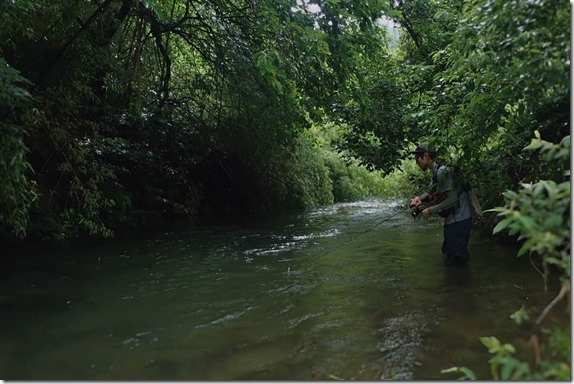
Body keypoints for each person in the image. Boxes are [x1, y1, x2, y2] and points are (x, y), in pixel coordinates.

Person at [409, 143, 473, 266]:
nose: (416, 162)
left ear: (426, 156)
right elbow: (433, 189)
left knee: (458, 261)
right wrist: (420, 199)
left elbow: (452, 200)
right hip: (454, 220)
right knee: (447, 254)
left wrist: (430, 210)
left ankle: (462, 284)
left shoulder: (443, 171)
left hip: (459, 220)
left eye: (417, 158)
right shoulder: (437, 169)